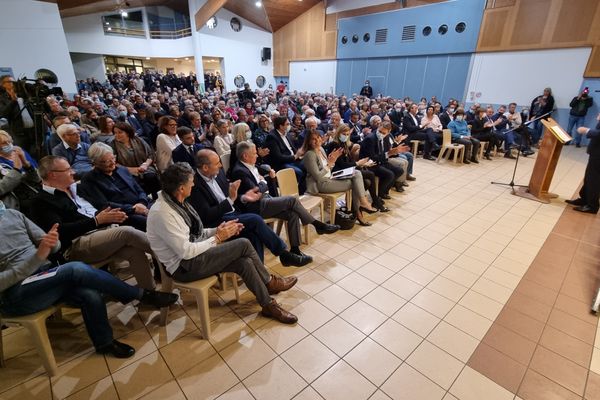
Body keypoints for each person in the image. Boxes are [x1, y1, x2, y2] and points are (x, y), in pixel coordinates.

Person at [0, 206, 177, 359]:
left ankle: (104, 344)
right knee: (75, 269)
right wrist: (37, 257)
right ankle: (142, 295)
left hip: (44, 275)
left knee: (89, 294)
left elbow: (53, 248)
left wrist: (51, 242)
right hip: (16, 294)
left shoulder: (13, 215)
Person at [146, 162, 299, 324]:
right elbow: (186, 251)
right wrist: (218, 238)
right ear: (181, 188)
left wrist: (217, 230)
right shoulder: (163, 213)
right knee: (243, 244)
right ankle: (269, 282)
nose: (193, 183)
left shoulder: (176, 201)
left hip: (192, 257)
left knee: (244, 263)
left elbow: (196, 234)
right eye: (191, 181)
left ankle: (268, 304)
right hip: (183, 267)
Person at [29, 155, 156, 290]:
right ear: (52, 175)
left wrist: (107, 217)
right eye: (67, 169)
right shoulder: (40, 201)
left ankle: (149, 292)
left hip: (97, 233)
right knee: (127, 232)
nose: (73, 172)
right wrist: (97, 221)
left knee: (133, 249)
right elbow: (61, 232)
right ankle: (172, 257)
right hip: (73, 246)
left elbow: (98, 206)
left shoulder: (73, 188)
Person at [303, 129, 378, 226]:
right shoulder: (310, 154)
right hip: (321, 184)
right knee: (357, 182)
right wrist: (330, 163)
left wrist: (332, 161)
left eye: (318, 137)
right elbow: (318, 177)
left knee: (357, 173)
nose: (316, 140)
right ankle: (360, 210)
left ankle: (360, 207)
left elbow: (329, 167)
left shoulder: (321, 149)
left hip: (330, 177)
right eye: (313, 139)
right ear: (308, 141)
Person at [79, 142, 150, 232]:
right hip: (123, 213)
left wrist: (142, 202)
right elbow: (103, 204)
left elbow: (139, 190)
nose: (112, 163)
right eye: (106, 161)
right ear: (95, 163)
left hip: (142, 204)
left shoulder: (122, 169)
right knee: (151, 222)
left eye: (113, 158)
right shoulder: (89, 179)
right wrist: (133, 209)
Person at [325, 124, 387, 212]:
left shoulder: (344, 144)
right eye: (344, 134)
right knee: (370, 174)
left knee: (367, 182)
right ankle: (372, 201)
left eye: (347, 134)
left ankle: (356, 207)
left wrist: (362, 164)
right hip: (337, 172)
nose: (346, 136)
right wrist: (357, 163)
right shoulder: (334, 145)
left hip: (346, 170)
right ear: (338, 133)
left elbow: (349, 161)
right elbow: (342, 164)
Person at [112, 121, 161, 198]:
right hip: (127, 171)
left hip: (145, 167)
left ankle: (159, 198)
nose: (117, 135)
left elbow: (151, 154)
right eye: (115, 133)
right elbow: (114, 163)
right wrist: (132, 169)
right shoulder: (113, 145)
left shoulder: (138, 139)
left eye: (120, 132)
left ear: (127, 133)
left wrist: (145, 165)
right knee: (136, 183)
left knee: (151, 177)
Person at [566, 113, 600, 214]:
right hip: (596, 153)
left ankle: (592, 206)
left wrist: (587, 131)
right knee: (589, 177)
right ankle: (585, 199)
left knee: (594, 180)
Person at [0, 130, 41, 213]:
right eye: (4, 143)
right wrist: (16, 170)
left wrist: (27, 165)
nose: (9, 144)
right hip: (15, 201)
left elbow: (37, 178)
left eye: (9, 141)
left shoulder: (19, 151)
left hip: (33, 192)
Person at [0, 75, 36, 156]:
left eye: (14, 81)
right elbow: (3, 113)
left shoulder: (24, 95)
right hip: (19, 134)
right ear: (2, 84)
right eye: (10, 82)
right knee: (24, 155)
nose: (13, 83)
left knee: (38, 154)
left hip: (34, 131)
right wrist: (13, 101)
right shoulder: (2, 99)